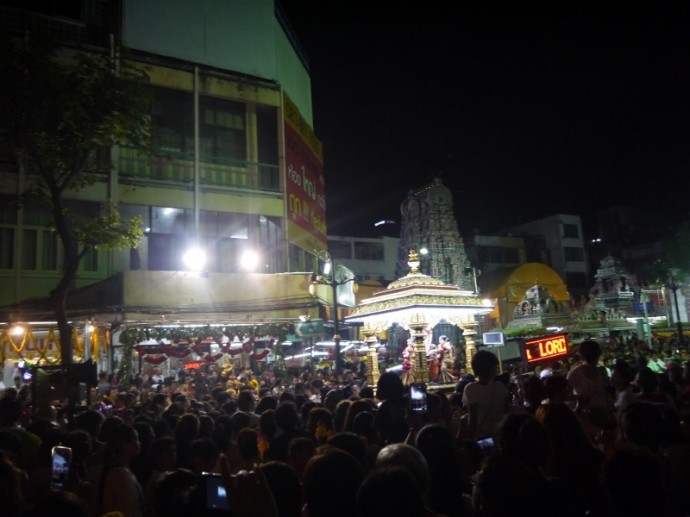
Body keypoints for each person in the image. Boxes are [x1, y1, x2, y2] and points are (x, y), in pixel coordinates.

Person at [460, 350, 510, 441]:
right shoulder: (500, 386)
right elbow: (506, 412)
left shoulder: (470, 389)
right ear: (490, 368)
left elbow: (473, 420)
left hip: (483, 437)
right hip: (502, 434)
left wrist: (469, 441)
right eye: (495, 367)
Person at [99, 423, 145, 517]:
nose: (138, 443)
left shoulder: (124, 470)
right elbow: (124, 510)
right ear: (122, 444)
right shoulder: (120, 475)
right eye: (134, 440)